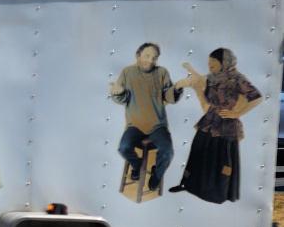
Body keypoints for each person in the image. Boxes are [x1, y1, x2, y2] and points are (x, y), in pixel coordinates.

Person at [169, 48, 264, 204]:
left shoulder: (238, 79)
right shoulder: (213, 78)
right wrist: (190, 69)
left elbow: (257, 98)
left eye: (213, 61)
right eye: (209, 61)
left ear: (224, 62)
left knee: (221, 159)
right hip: (209, 120)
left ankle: (217, 194)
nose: (210, 64)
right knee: (197, 151)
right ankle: (188, 185)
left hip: (226, 126)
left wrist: (237, 113)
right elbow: (200, 81)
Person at [109, 42, 182, 192]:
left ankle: (156, 175)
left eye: (154, 58)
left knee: (168, 152)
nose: (150, 61)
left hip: (157, 125)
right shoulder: (128, 72)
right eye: (147, 56)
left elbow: (169, 96)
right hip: (135, 124)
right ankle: (137, 166)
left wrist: (177, 88)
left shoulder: (162, 72)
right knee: (123, 148)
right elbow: (122, 99)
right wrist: (118, 93)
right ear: (138, 55)